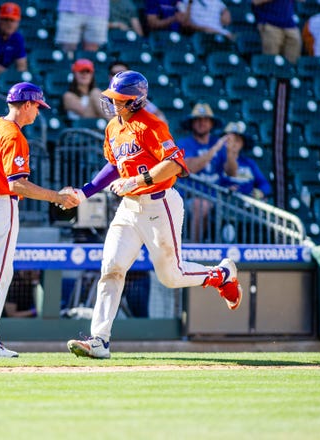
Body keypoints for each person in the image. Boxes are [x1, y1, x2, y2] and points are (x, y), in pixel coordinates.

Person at [65, 71, 242, 359]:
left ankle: (220, 275)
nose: (114, 103)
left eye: (121, 99)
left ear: (136, 101)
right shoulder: (113, 127)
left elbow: (174, 165)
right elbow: (113, 165)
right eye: (113, 98)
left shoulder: (152, 125)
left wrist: (136, 180)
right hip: (129, 208)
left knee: (171, 276)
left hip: (160, 205)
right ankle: (99, 340)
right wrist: (84, 192)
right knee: (111, 267)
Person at [0, 82, 78, 357]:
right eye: (37, 107)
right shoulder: (14, 135)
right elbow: (18, 185)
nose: (38, 112)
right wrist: (57, 197)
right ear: (26, 104)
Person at [176, 102, 226, 242]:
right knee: (200, 204)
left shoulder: (219, 144)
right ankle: (194, 247)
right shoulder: (184, 143)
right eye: (197, 119)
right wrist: (213, 151)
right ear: (192, 123)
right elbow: (190, 167)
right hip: (188, 197)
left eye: (205, 120)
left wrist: (232, 153)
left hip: (217, 198)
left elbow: (230, 172)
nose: (201, 123)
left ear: (211, 123)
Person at [219, 121, 272, 200]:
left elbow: (264, 184)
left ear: (243, 144)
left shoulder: (249, 163)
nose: (233, 144)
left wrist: (261, 192)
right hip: (225, 203)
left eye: (237, 140)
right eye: (230, 140)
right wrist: (225, 189)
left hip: (246, 205)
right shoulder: (217, 160)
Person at [0, 2, 28, 78]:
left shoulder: (17, 38)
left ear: (18, 23)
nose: (9, 24)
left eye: (12, 20)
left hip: (4, 76)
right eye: (6, 20)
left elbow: (22, 66)